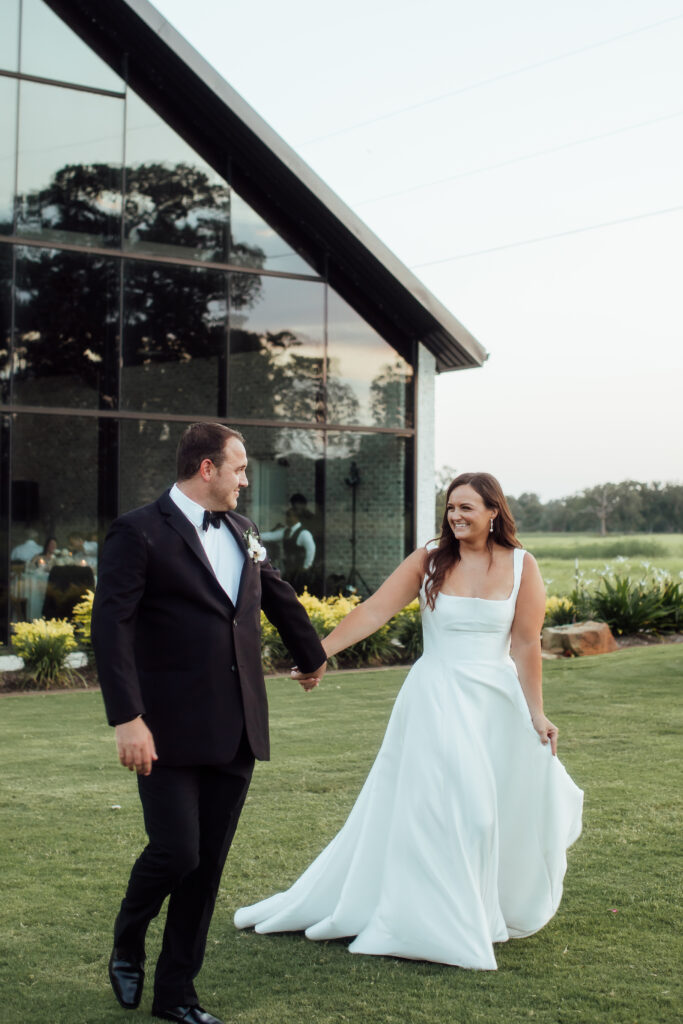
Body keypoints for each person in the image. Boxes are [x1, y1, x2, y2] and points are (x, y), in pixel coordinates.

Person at [235, 472, 583, 970]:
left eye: (467, 508)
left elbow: (525, 644)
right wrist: (319, 654)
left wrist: (536, 712)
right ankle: (439, 922)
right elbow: (375, 610)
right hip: (437, 695)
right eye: (450, 508)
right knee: (463, 811)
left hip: (496, 703)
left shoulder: (523, 566)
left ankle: (478, 914)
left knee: (488, 812)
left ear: (493, 511)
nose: (456, 516)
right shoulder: (429, 559)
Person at [91, 423, 326, 1024]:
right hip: (164, 729)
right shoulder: (137, 531)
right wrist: (127, 719)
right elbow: (110, 629)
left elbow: (274, 593)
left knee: (208, 866)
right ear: (206, 469)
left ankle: (176, 996)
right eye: (240, 469)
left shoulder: (244, 532)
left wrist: (312, 653)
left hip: (237, 726)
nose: (246, 481)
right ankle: (127, 935)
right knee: (177, 853)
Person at [261, 500, 316, 593]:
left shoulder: (304, 533)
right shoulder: (286, 531)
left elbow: (311, 550)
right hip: (289, 569)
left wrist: (306, 567)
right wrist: (253, 535)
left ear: (296, 517)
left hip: (300, 571)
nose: (286, 518)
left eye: (289, 516)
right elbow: (271, 536)